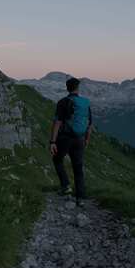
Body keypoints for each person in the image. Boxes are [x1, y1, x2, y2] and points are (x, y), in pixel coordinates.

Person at [49, 77, 92, 206]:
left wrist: (52, 141)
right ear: (78, 88)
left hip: (65, 138)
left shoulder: (63, 102)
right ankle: (81, 198)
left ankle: (66, 186)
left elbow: (57, 122)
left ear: (67, 88)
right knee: (78, 167)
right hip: (80, 139)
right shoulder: (85, 103)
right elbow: (89, 124)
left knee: (57, 160)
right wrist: (87, 139)